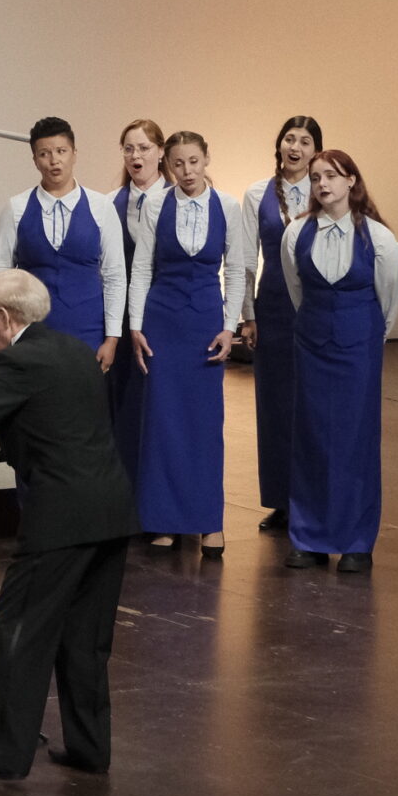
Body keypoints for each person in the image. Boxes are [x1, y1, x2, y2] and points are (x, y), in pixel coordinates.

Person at [0, 270, 136, 786]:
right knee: (86, 639)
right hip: (112, 510)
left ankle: (0, 756)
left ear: (5, 317)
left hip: (61, 517)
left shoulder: (18, 360)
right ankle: (89, 748)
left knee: (18, 630)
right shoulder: (75, 349)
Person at [123, 131, 249, 557]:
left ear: (206, 158)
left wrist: (230, 326)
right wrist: (136, 326)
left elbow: (236, 270)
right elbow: (142, 269)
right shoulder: (157, 204)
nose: (187, 171)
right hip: (162, 322)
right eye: (178, 164)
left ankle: (208, 522)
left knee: (204, 423)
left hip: (205, 324)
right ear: (168, 165)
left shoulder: (227, 206)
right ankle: (163, 521)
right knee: (163, 420)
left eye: (194, 161)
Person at [279, 150, 398, 572]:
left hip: (358, 347)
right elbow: (296, 290)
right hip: (312, 344)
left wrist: (362, 334)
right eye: (315, 178)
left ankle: (355, 541)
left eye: (331, 175)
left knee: (356, 439)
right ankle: (308, 537)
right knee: (310, 436)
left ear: (351, 180)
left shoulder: (378, 238)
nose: (322, 184)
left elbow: (389, 299)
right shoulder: (296, 233)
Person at [241, 117, 322, 534]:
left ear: (316, 150)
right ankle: (280, 499)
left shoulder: (325, 188)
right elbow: (244, 258)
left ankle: (311, 498)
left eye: (305, 141)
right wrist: (247, 315)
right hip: (272, 306)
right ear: (279, 145)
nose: (295, 147)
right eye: (289, 139)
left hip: (315, 305)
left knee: (311, 403)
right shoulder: (257, 193)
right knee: (273, 406)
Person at [0, 118, 127, 351]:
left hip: (88, 330)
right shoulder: (16, 207)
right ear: (35, 160)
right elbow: (1, 273)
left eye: (61, 151)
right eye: (44, 154)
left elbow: (114, 276)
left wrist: (112, 338)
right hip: (31, 331)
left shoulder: (101, 207)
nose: (54, 160)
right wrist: (3, 332)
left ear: (74, 154)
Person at [103, 119, 168, 485]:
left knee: (159, 404)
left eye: (143, 147)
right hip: (123, 318)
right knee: (124, 402)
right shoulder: (110, 203)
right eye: (128, 148)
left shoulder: (176, 199)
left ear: (160, 151)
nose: (135, 155)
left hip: (164, 316)